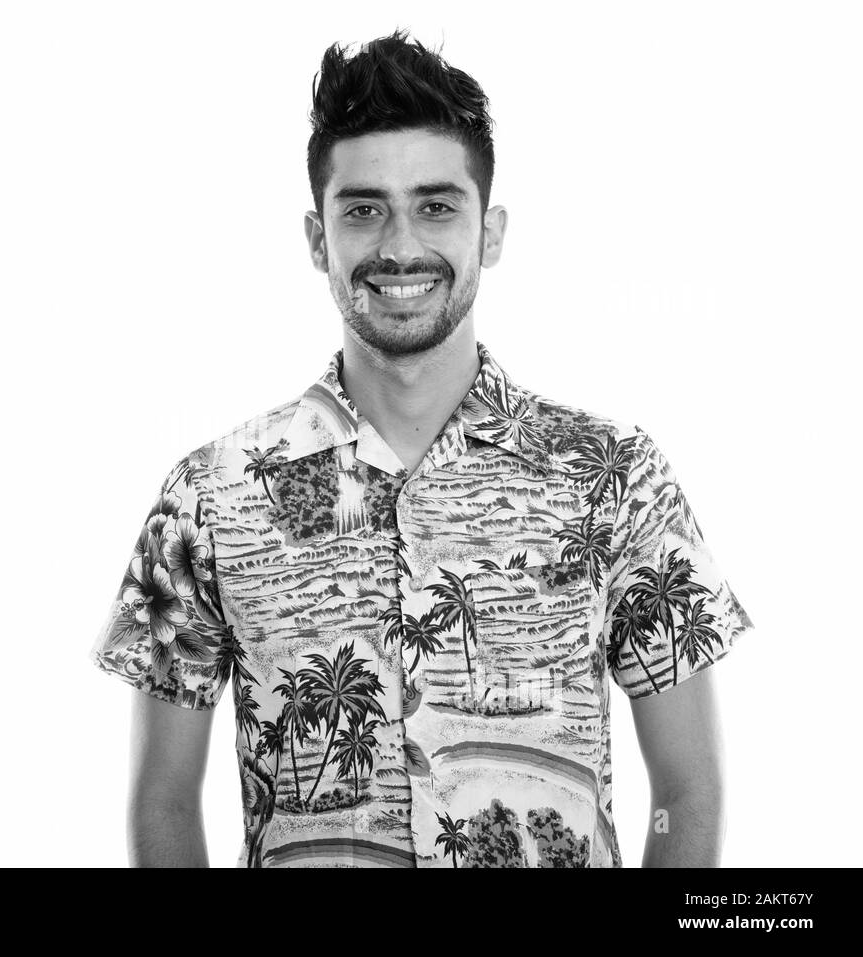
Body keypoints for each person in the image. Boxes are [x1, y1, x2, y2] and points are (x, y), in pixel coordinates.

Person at [88, 28, 756, 868]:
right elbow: (163, 802)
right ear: (315, 237)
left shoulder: (615, 478)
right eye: (364, 209)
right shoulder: (207, 497)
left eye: (436, 205)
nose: (400, 246)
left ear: (493, 230)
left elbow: (691, 791)